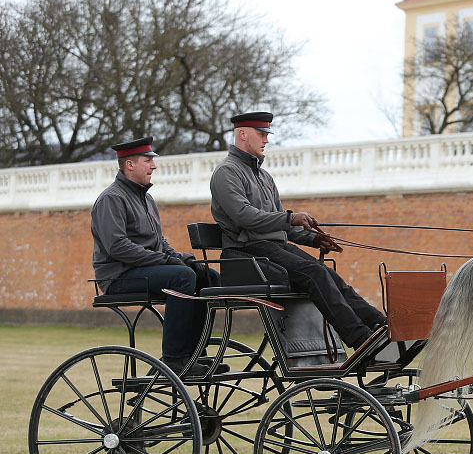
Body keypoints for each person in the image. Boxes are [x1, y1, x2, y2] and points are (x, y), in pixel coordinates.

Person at [209, 112, 387, 349]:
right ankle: (360, 339)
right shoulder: (227, 172)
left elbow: (280, 226)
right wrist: (291, 218)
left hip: (273, 248)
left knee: (331, 276)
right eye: (261, 134)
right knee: (316, 274)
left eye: (266, 135)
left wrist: (314, 239)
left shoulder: (264, 176)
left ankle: (381, 326)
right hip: (247, 251)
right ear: (242, 134)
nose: (266, 140)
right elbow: (245, 217)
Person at [91, 137, 222, 376]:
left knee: (207, 276)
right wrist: (168, 262)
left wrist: (184, 259)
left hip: (143, 270)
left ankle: (194, 355)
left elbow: (159, 243)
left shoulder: (146, 199)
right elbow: (117, 247)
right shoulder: (112, 198)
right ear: (129, 165)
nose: (154, 166)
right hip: (118, 276)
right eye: (147, 160)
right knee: (181, 277)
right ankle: (174, 358)